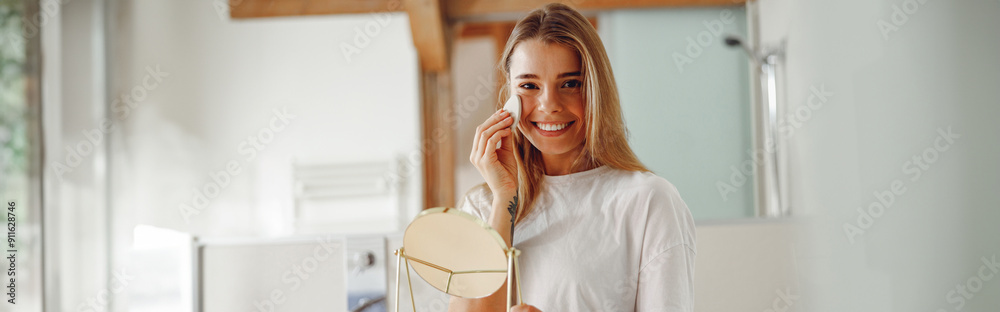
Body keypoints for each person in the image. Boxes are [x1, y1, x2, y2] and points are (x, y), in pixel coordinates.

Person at [450, 3, 696, 312]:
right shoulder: (481, 207)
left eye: (570, 84)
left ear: (596, 90)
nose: (549, 104)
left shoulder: (649, 202)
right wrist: (504, 200)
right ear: (509, 95)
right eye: (529, 85)